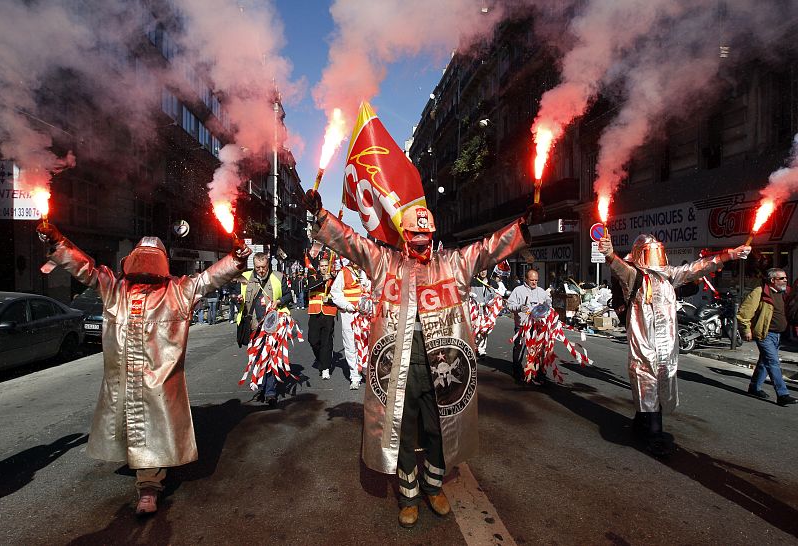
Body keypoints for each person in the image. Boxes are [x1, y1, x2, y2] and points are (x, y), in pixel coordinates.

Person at [303, 189, 533, 528]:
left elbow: (487, 250)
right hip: (399, 366)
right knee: (405, 431)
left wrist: (523, 226)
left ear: (433, 235)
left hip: (444, 367)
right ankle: (409, 496)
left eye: (425, 237)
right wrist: (321, 217)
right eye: (413, 236)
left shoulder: (454, 263)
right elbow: (351, 243)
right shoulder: (385, 262)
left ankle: (433, 485)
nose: (420, 243)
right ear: (403, 236)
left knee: (439, 428)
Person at [36, 221, 250, 516]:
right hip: (123, 378)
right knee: (130, 428)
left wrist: (237, 258)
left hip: (159, 381)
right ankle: (146, 477)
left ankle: (149, 486)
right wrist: (57, 241)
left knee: (153, 430)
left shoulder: (178, 290)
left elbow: (208, 279)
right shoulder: (116, 288)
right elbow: (85, 269)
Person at [598, 233, 750, 457]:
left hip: (667, 345)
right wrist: (609, 253)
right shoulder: (634, 276)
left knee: (662, 381)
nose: (657, 255)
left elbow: (699, 267)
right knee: (646, 380)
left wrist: (729, 255)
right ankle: (655, 435)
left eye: (658, 249)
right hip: (644, 342)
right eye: (651, 251)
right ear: (641, 254)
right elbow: (618, 267)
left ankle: (641, 424)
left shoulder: (669, 276)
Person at [236, 251, 292, 405]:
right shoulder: (245, 278)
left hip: (272, 326)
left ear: (268, 264)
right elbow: (235, 296)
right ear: (253, 265)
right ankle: (261, 387)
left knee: (270, 358)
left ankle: (270, 392)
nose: (261, 270)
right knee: (257, 359)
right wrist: (237, 299)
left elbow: (289, 296)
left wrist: (279, 301)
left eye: (263, 267)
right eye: (258, 267)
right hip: (253, 326)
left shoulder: (278, 277)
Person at [737, 268, 798, 406]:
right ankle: (782, 394)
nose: (785, 280)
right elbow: (743, 313)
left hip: (778, 335)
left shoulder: (786, 292)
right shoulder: (760, 292)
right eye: (782, 278)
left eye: (786, 278)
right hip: (765, 334)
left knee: (764, 362)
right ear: (772, 280)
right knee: (773, 362)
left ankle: (754, 387)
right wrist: (746, 330)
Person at [506, 269, 552, 383]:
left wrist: (547, 305)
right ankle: (517, 371)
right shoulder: (518, 290)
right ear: (526, 279)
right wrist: (519, 307)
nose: (534, 282)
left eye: (536, 280)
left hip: (537, 326)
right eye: (531, 280)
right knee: (520, 348)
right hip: (522, 325)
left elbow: (548, 303)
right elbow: (509, 305)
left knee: (538, 350)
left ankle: (538, 373)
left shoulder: (541, 291)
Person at [330, 259, 370, 389]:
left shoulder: (367, 271)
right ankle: (354, 376)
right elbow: (335, 293)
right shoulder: (344, 272)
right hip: (349, 314)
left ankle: (365, 369)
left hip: (364, 314)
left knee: (365, 342)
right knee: (350, 343)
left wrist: (368, 286)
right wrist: (347, 306)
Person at [307, 256, 337, 380]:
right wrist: (323, 280)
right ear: (319, 267)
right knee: (313, 340)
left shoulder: (334, 279)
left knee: (326, 341)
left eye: (326, 266)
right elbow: (309, 288)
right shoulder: (313, 277)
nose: (324, 268)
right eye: (322, 266)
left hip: (328, 312)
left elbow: (338, 295)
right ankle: (321, 359)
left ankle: (325, 368)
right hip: (314, 312)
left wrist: (329, 299)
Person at [470, 269, 495, 357]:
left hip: (487, 311)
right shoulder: (473, 281)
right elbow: (470, 293)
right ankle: (475, 347)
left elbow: (493, 295)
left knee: (484, 331)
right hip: (477, 311)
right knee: (476, 330)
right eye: (481, 270)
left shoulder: (491, 283)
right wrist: (471, 295)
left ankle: (482, 349)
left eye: (485, 270)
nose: (483, 272)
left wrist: (489, 302)